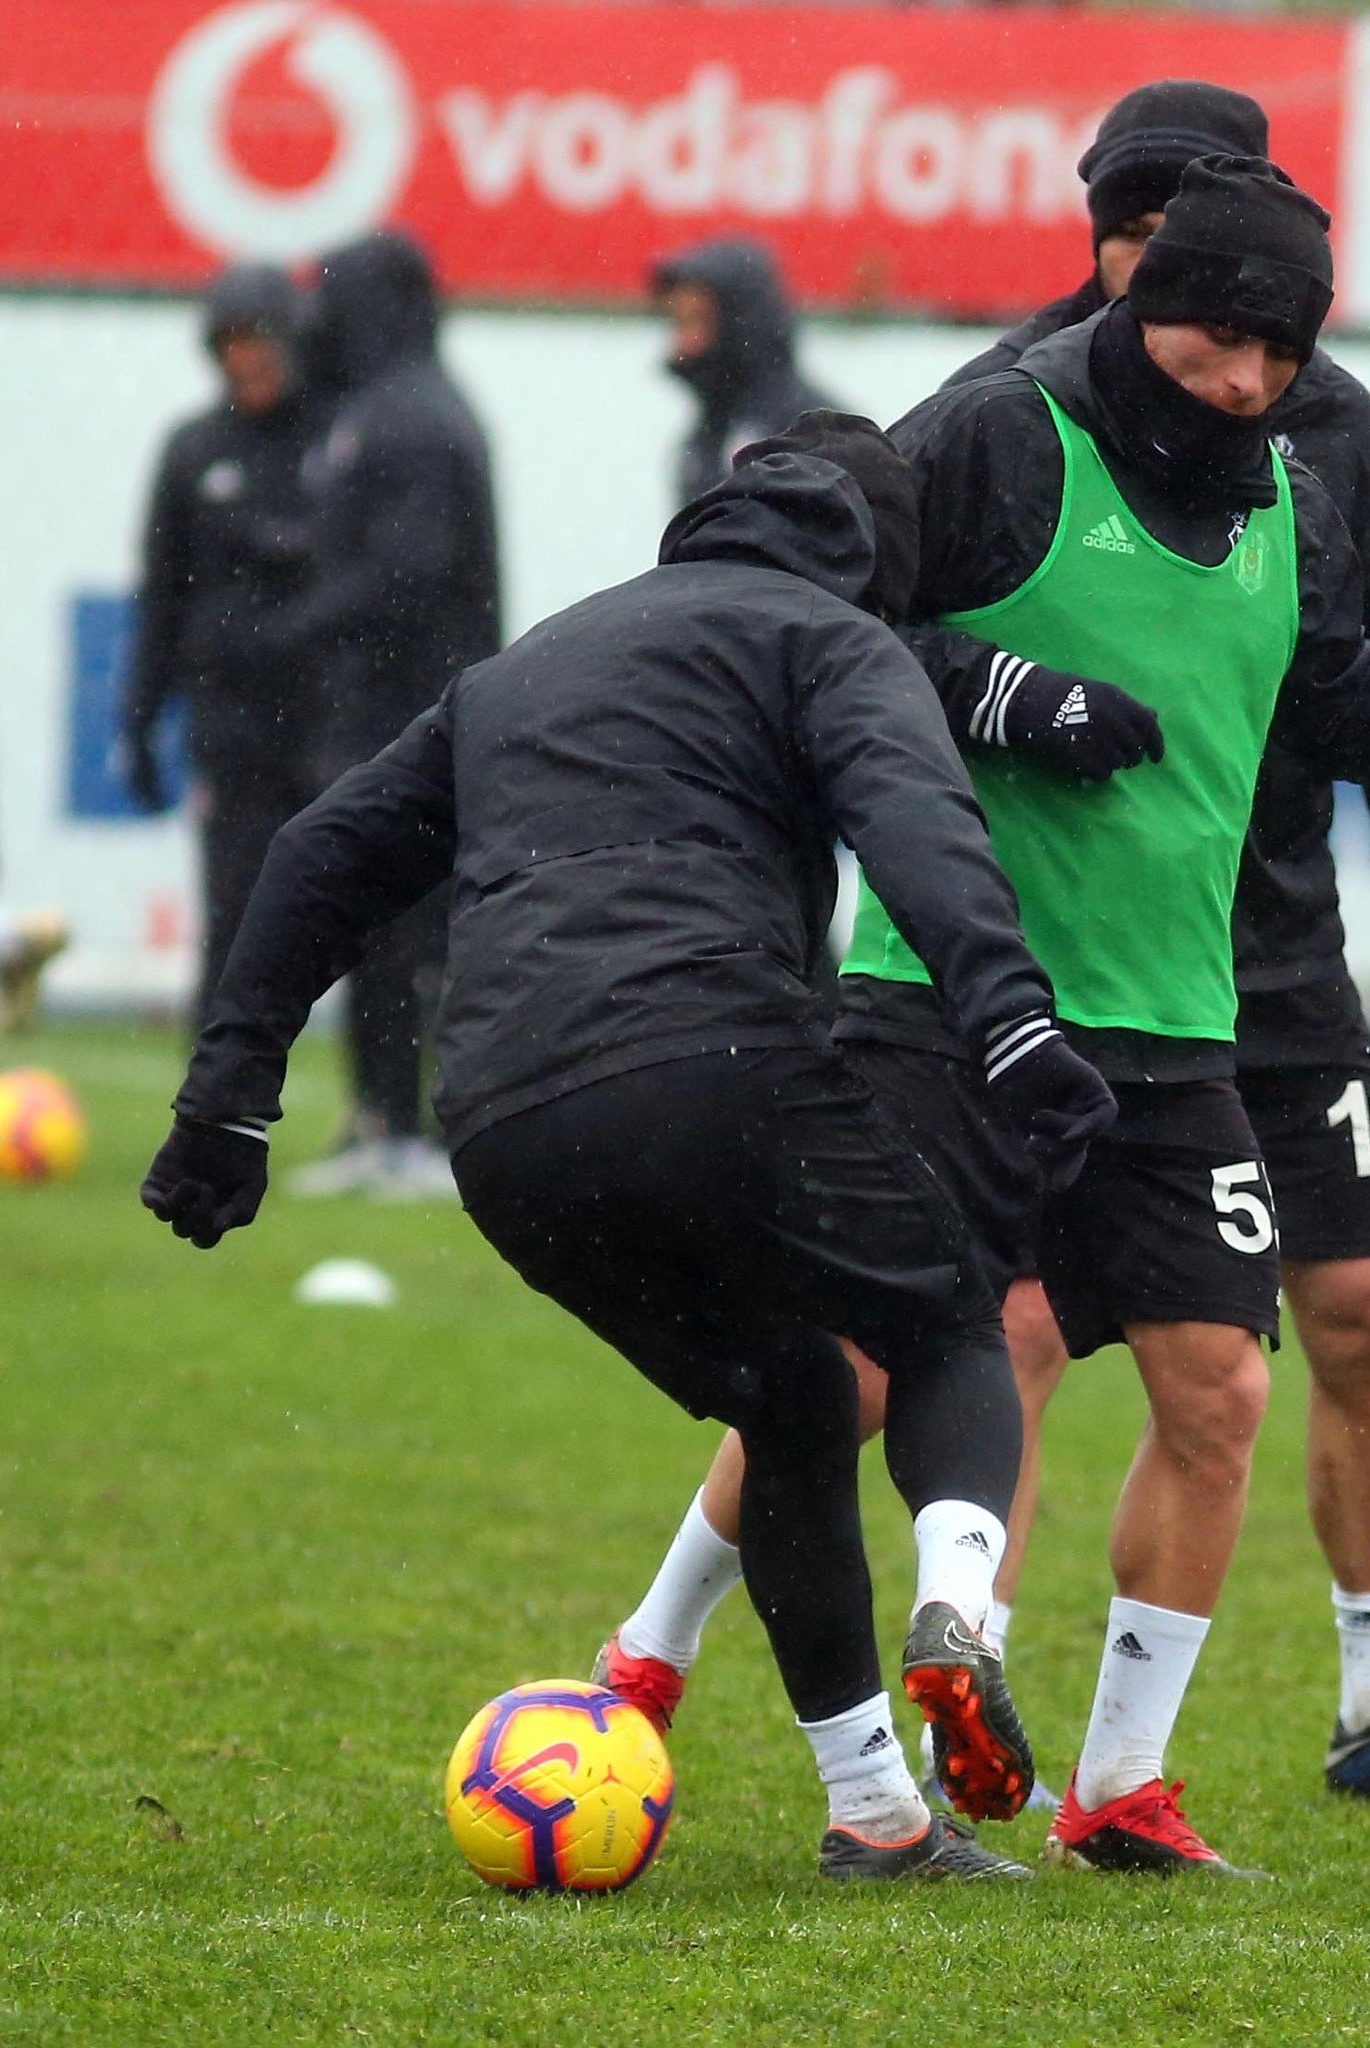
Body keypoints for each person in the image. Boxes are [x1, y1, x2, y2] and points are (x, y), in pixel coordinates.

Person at [598, 159, 1370, 1875]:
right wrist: (1006, 690)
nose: (1249, 379)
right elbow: (813, 611)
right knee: (857, 1371)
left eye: (1282, 351)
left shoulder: (1293, 487)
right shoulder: (1001, 431)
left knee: (1218, 1387)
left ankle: (1120, 1789)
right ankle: (650, 1652)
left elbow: (1331, 708)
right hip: (950, 995)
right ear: (1149, 299)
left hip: (1179, 1023)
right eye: (1223, 338)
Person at [138, 416, 1120, 1883]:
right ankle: (957, 1609)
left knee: (793, 1397)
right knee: (947, 1320)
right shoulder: (834, 639)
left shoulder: (530, 664)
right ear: (877, 568)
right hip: (714, 1063)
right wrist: (1015, 1024)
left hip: (503, 1121)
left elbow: (318, 855)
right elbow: (923, 834)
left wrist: (227, 1099)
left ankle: (875, 1812)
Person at [945, 80, 1370, 1816]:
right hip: (1062, 959)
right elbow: (855, 625)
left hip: (1268, 955)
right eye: (1136, 230)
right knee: (1008, 1333)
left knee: (1367, 1315)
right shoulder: (1012, 407)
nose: (1170, 272)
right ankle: (949, 1686)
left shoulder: (1327, 421)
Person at [279, 232, 501, 1201]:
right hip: (378, 711)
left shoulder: (416, 418)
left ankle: (423, 1133)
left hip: (417, 713)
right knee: (373, 922)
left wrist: (285, 631)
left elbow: (409, 572)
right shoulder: (374, 408)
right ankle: (380, 1120)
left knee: (414, 927)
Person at [123, 263, 327, 1025]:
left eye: (260, 340)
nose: (247, 358)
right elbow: (161, 594)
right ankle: (217, 1079)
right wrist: (139, 720)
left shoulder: (338, 440)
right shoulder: (193, 450)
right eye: (231, 343)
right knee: (237, 914)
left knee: (362, 917)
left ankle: (386, 1087)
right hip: (233, 724)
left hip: (327, 717)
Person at [650, 239, 837, 512]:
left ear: (742, 323)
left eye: (699, 320)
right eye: (678, 322)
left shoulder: (816, 433)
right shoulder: (707, 436)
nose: (682, 343)